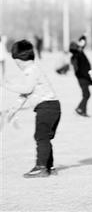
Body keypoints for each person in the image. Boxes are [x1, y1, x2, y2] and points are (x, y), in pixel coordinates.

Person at [1, 39, 61, 178]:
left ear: (21, 60)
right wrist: (13, 109)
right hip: (52, 107)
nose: (18, 66)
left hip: (46, 107)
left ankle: (41, 167)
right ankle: (49, 167)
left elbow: (26, 89)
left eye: (17, 63)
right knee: (44, 137)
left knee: (41, 137)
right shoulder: (33, 70)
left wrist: (5, 85)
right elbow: (25, 94)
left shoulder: (31, 70)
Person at [69, 36, 92, 117]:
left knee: (86, 94)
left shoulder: (79, 53)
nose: (79, 47)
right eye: (77, 47)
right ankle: (80, 109)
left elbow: (82, 46)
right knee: (86, 94)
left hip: (84, 77)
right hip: (82, 78)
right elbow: (76, 68)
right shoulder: (76, 56)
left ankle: (82, 110)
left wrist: (83, 39)